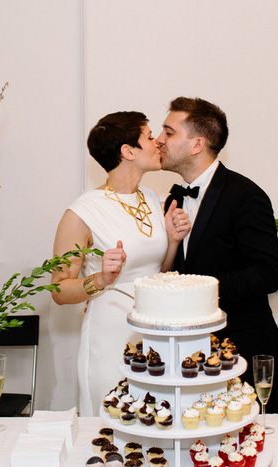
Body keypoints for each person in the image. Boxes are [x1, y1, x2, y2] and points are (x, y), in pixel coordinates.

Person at [51, 111, 190, 416]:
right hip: (110, 335)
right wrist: (100, 279)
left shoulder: (153, 198)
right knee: (114, 428)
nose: (159, 143)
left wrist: (173, 240)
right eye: (149, 136)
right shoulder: (81, 212)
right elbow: (59, 291)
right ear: (128, 151)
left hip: (154, 331)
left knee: (158, 423)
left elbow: (158, 274)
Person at [158, 97, 278, 413]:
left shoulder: (246, 195)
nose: (159, 140)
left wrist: (200, 289)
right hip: (193, 354)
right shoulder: (173, 200)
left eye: (169, 132)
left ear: (197, 144)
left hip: (242, 351)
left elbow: (268, 273)